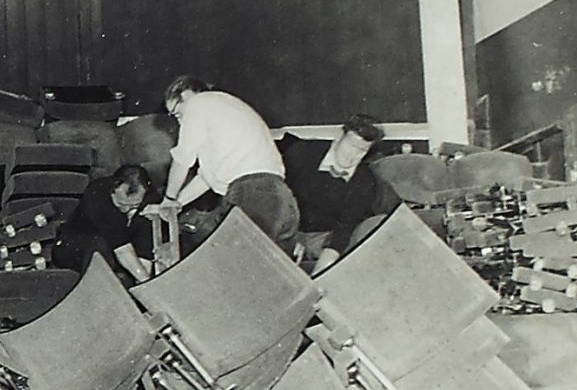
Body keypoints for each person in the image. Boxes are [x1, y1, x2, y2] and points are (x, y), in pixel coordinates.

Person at [160, 75, 299, 248]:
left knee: (236, 264)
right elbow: (206, 178)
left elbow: (182, 159)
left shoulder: (199, 103)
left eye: (177, 113)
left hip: (251, 193)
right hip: (281, 198)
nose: (179, 121)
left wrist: (169, 197)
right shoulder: (226, 110)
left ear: (187, 94)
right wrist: (177, 204)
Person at [278, 115, 399, 261]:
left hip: (325, 236)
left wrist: (320, 276)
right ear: (338, 137)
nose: (352, 156)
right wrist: (289, 237)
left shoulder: (365, 181)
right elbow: (278, 197)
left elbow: (343, 231)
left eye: (361, 151)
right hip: (287, 228)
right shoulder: (301, 153)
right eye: (350, 146)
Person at [58, 164, 158, 282]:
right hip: (75, 248)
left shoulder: (148, 195)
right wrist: (146, 284)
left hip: (115, 251)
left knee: (146, 220)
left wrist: (143, 278)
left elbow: (144, 244)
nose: (126, 210)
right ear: (113, 188)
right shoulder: (96, 196)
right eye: (121, 204)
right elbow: (122, 250)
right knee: (99, 245)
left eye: (134, 205)